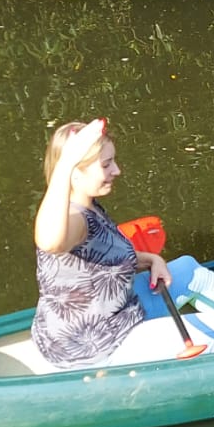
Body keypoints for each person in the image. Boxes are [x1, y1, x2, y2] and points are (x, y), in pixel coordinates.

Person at [31, 119, 181, 368]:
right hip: (99, 346)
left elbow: (104, 261)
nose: (117, 170)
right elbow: (50, 242)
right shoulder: (73, 218)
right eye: (106, 164)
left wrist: (152, 259)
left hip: (118, 316)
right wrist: (66, 162)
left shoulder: (90, 206)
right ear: (75, 173)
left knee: (187, 267)